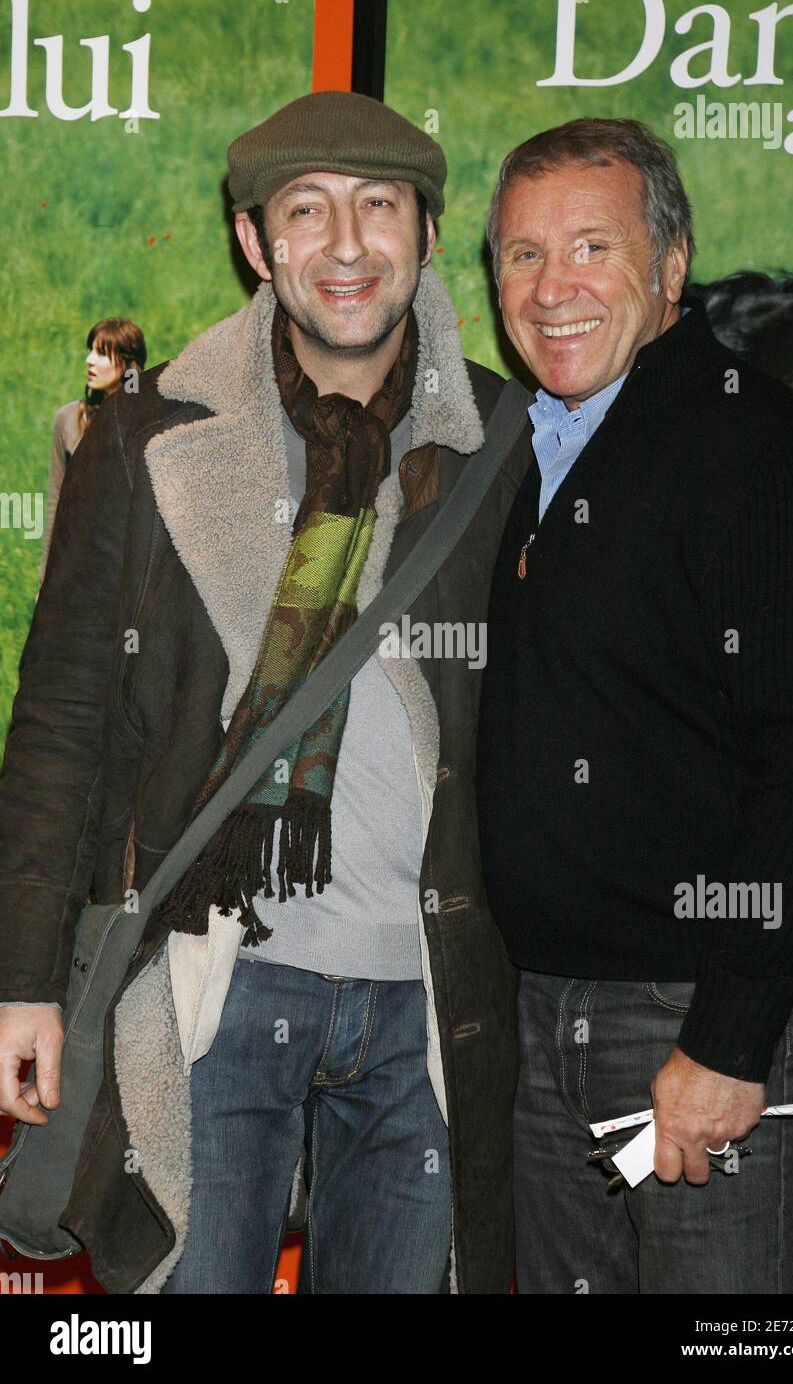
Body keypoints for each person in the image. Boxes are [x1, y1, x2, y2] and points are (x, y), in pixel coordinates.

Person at [0, 91, 532, 1294]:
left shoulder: (502, 438)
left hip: (425, 1000)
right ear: (254, 241)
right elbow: (60, 724)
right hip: (213, 984)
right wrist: (24, 978)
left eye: (378, 207)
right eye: (307, 211)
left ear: (430, 234)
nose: (345, 247)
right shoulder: (142, 441)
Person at [475, 116, 793, 1294]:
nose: (552, 290)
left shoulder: (751, 444)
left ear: (672, 264)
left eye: (590, 247)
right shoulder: (523, 450)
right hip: (546, 1010)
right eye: (520, 256)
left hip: (706, 1013)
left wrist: (730, 1032)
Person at [39, 318, 147, 585]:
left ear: (126, 364)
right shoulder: (67, 419)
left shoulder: (146, 422)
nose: (89, 360)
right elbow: (56, 505)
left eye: (100, 353)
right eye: (90, 350)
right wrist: (46, 580)